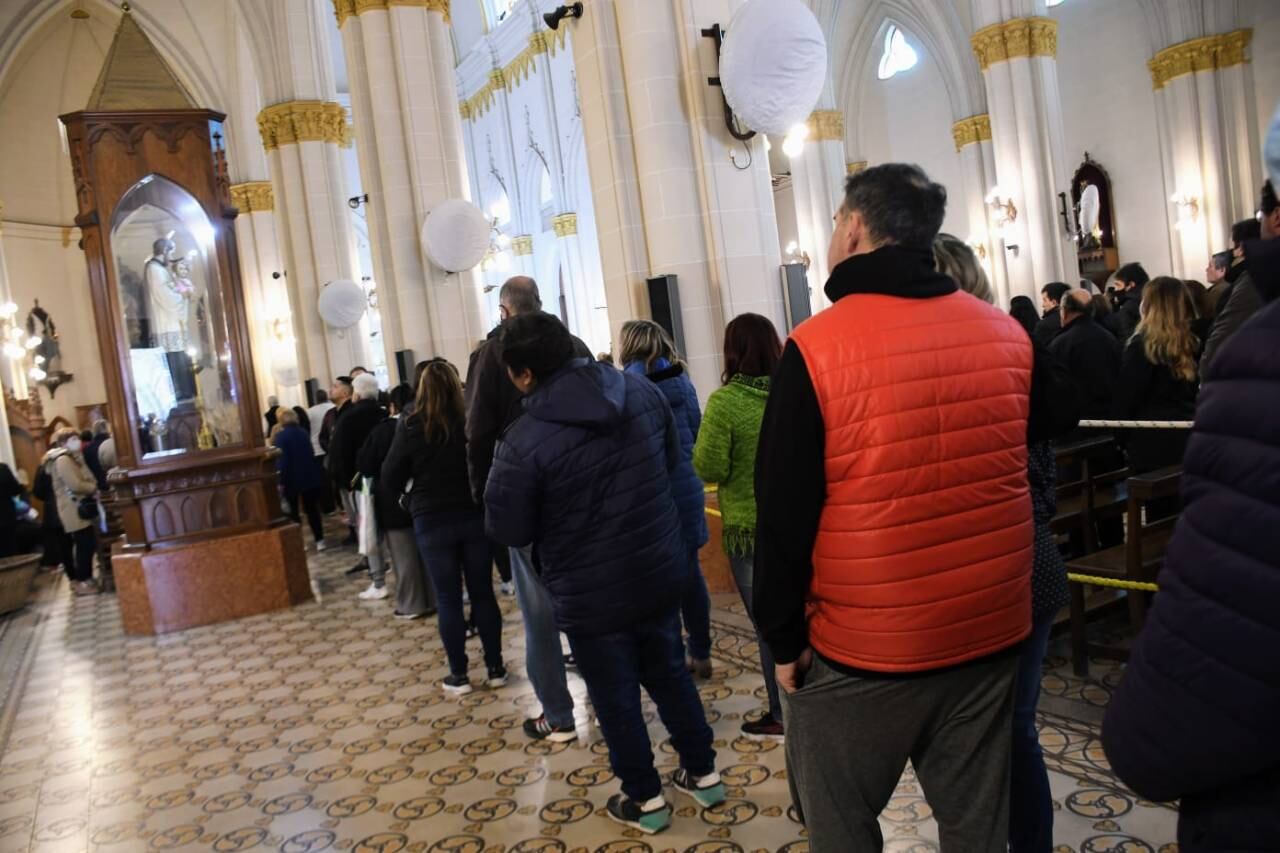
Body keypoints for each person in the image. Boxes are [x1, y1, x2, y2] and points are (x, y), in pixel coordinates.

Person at [754, 164, 1033, 850]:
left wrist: (784, 640)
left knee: (842, 826)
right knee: (977, 829)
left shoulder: (817, 346)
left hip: (867, 648)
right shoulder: (1004, 333)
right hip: (988, 631)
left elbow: (783, 511)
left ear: (853, 227)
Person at [486, 311, 725, 834]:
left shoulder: (522, 441)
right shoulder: (640, 394)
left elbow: (506, 526)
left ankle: (645, 799)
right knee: (668, 673)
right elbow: (667, 463)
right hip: (657, 566)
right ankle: (704, 774)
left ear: (522, 374)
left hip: (590, 591)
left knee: (615, 698)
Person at [1102, 295, 1280, 852]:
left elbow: (1154, 739)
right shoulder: (1196, 342)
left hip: (1247, 797)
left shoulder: (1250, 350)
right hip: (1179, 455)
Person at [935, 232, 1080, 852]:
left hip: (990, 571)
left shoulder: (972, 362)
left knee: (983, 739)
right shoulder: (1017, 347)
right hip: (1031, 558)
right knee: (1011, 732)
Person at [466, 275, 590, 742]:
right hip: (581, 484)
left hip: (525, 490)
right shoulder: (572, 340)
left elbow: (477, 430)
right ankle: (604, 688)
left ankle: (557, 714)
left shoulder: (492, 353)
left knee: (538, 612)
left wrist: (485, 498)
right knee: (584, 595)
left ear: (504, 311)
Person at [383, 361, 505, 692]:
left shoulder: (410, 426)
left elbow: (390, 474)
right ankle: (495, 668)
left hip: (431, 519)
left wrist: (408, 502)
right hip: (473, 514)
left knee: (448, 598)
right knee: (483, 593)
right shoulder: (472, 420)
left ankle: (459, 674)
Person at [692, 313, 783, 737]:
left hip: (749, 530)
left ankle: (781, 712)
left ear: (732, 351)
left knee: (769, 625)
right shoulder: (791, 392)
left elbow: (708, 464)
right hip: (797, 524)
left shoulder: (726, 402)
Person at [619, 320, 713, 680]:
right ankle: (701, 653)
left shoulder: (627, 388)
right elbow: (698, 430)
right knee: (690, 574)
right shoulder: (682, 382)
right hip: (687, 486)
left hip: (651, 490)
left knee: (657, 579)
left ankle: (671, 657)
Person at [1113, 277, 1199, 514]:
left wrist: (1120, 439)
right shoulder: (1190, 343)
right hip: (1186, 439)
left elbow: (1126, 399)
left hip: (1152, 446)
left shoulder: (1142, 347)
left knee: (1161, 517)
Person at [358, 384, 437, 620]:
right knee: (425, 555)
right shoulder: (427, 423)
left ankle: (411, 604)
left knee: (404, 559)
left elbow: (366, 464)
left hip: (393, 502)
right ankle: (432, 599)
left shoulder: (382, 431)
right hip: (423, 500)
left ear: (391, 405)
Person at [329, 373, 389, 598]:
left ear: (357, 393)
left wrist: (347, 482)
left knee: (369, 531)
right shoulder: (384, 413)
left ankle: (378, 581)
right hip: (386, 480)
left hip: (362, 481)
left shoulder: (350, 417)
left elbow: (340, 453)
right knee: (390, 532)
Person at [1201, 211, 1267, 375]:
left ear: (1241, 248)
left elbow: (1226, 331)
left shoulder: (1252, 279)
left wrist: (1206, 370)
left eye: (1233, 247)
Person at [1051, 289, 1123, 427]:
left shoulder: (1061, 343)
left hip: (1077, 423)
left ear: (1064, 311)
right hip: (1109, 418)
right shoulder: (1108, 337)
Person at [48, 428, 101, 596]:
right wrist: (92, 488)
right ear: (63, 443)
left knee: (87, 542)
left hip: (77, 507)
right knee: (84, 545)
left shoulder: (72, 458)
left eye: (77, 438)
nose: (76, 441)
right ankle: (82, 581)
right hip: (73, 509)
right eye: (72, 439)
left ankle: (86, 578)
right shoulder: (63, 460)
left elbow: (86, 476)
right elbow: (75, 484)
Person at [272, 408, 328, 550]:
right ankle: (319, 540)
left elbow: (282, 460)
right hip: (309, 475)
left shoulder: (281, 437)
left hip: (291, 478)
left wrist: (280, 480)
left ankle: (300, 542)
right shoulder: (303, 433)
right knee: (312, 510)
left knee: (294, 512)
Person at [0, 462, 41, 557]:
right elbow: (14, 490)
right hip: (6, 516)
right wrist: (22, 486)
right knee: (10, 548)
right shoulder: (2, 469)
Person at [1113, 262, 1151, 341]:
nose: (1115, 289)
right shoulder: (1154, 299)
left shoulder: (1128, 307)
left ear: (1131, 284)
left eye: (1118, 285)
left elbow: (1127, 337)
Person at [1034, 281, 1071, 347]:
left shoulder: (1043, 325)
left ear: (1054, 302)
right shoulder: (1077, 319)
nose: (1043, 305)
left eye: (1045, 300)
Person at [83, 419, 111, 490]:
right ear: (107, 429)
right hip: (114, 482)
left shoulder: (88, 449)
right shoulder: (111, 444)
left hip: (98, 485)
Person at [1204, 249, 1231, 316]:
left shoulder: (1218, 291)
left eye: (1210, 266)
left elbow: (1210, 316)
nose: (1206, 269)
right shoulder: (1228, 286)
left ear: (1222, 270)